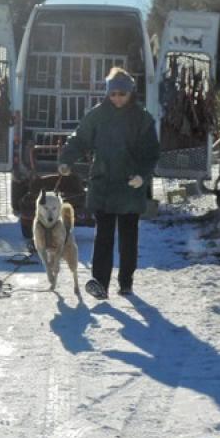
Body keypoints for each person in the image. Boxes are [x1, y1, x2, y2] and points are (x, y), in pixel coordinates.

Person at [58, 67, 160, 298]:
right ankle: (100, 283)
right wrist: (66, 160)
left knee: (128, 237)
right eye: (113, 94)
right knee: (103, 235)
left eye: (122, 94)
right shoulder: (97, 115)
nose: (117, 98)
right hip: (103, 184)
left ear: (130, 93)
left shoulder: (142, 119)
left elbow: (151, 153)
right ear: (107, 93)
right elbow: (80, 139)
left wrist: (142, 175)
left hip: (129, 186)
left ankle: (126, 282)